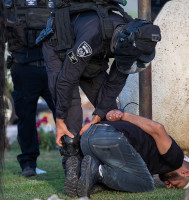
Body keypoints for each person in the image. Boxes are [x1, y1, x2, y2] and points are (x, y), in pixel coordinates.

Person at [40, 0, 161, 177]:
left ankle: (109, 165)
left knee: (111, 112)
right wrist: (59, 120)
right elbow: (66, 80)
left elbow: (115, 82)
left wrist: (99, 115)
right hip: (58, 48)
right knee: (71, 114)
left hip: (93, 57)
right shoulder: (93, 37)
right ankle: (73, 169)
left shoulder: (130, 42)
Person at [65, 109, 189, 198]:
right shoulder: (176, 158)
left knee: (128, 176)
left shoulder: (158, 164)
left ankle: (79, 173)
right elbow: (158, 129)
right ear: (186, 173)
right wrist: (124, 115)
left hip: (90, 137)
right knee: (146, 184)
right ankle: (98, 171)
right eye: (176, 185)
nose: (169, 186)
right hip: (110, 138)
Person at [5, 0, 56, 177]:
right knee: (26, 117)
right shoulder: (11, 3)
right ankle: (28, 164)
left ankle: (71, 160)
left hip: (53, 67)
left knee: (64, 113)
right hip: (24, 66)